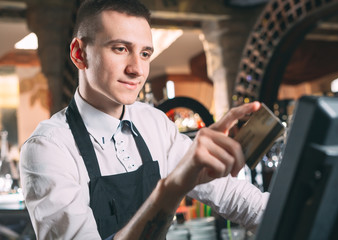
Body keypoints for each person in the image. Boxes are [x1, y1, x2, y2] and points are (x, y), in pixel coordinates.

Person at [19, 0, 269, 239]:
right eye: (120, 49)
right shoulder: (48, 148)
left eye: (146, 53)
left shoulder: (155, 124)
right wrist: (171, 189)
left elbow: (235, 197)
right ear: (79, 53)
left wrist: (299, 213)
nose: (137, 69)